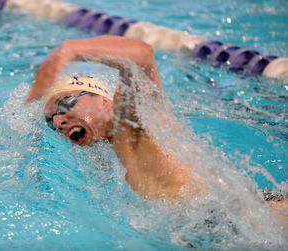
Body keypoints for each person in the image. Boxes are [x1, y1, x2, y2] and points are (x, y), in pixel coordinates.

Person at [27, 35, 204, 202]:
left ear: (105, 102)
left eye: (65, 104)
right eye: (51, 121)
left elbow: (142, 57)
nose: (58, 122)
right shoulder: (111, 159)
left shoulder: (135, 121)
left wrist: (69, 49)